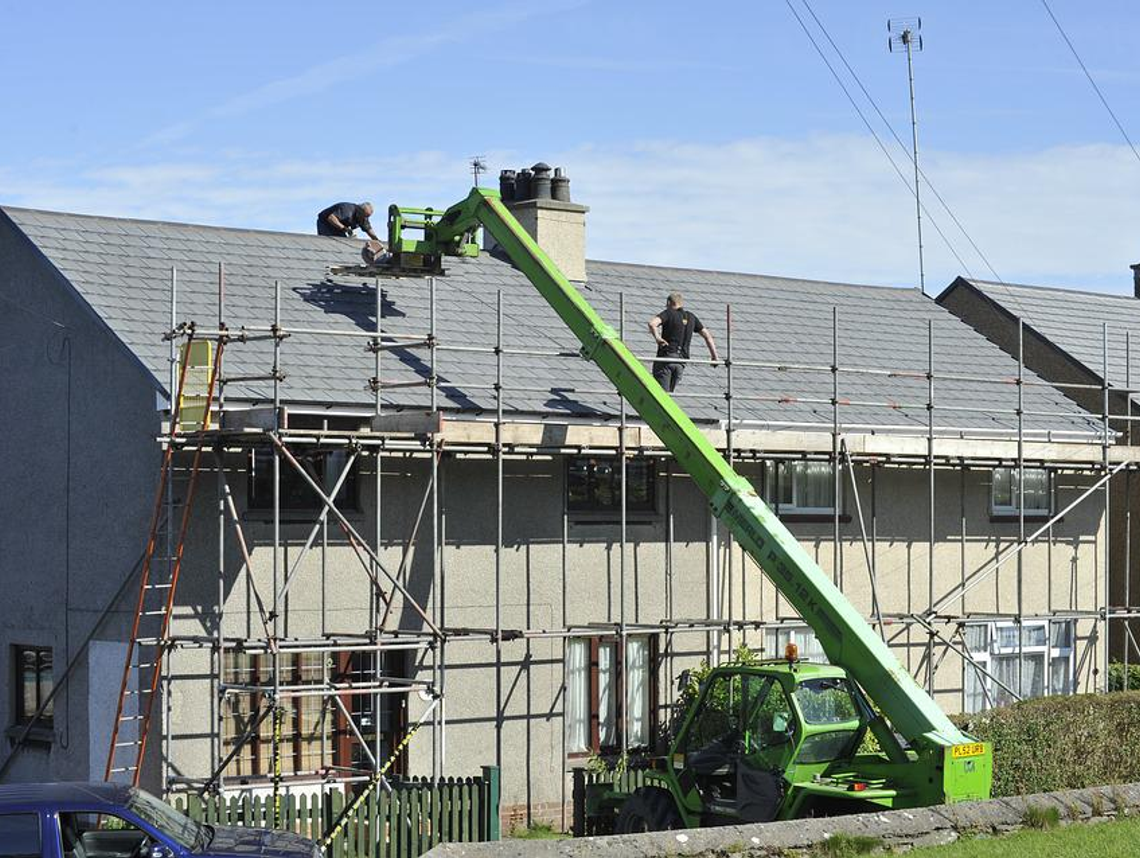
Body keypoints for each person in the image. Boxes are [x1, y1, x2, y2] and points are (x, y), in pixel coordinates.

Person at [647, 292, 719, 392]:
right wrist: (714, 357)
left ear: (669, 303)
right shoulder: (691, 317)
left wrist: (658, 338)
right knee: (669, 396)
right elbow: (708, 336)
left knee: (661, 395)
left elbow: (652, 324)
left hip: (666, 359)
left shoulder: (668, 313)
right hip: (681, 363)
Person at [316, 201, 382, 240]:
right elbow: (331, 218)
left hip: (339, 228)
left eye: (367, 217)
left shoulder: (363, 218)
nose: (365, 218)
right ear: (360, 210)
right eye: (365, 215)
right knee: (329, 242)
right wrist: (345, 228)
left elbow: (369, 230)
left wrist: (377, 240)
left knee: (343, 242)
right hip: (325, 223)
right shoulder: (347, 210)